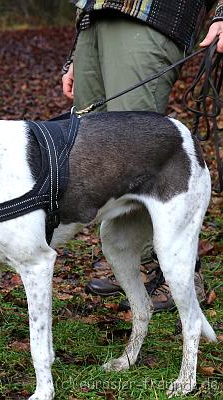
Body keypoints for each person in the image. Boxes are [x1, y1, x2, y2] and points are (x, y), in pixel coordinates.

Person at [61, 0, 223, 311]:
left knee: (135, 151)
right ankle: (130, 258)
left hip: (152, 15)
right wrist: (75, 54)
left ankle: (174, 272)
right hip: (93, 17)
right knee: (93, 150)